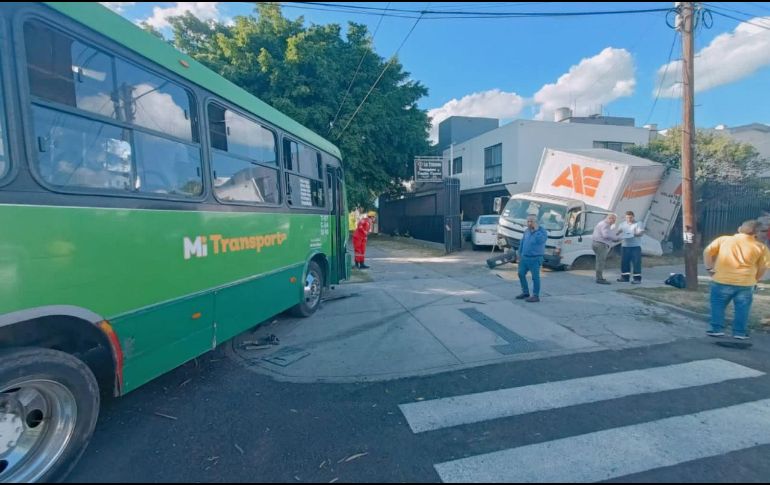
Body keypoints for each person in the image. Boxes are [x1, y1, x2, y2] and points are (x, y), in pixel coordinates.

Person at [703, 220, 770, 340]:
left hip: (721, 280)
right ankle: (739, 332)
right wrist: (756, 279)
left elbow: (707, 252)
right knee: (742, 309)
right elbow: (763, 267)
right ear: (755, 232)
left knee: (718, 305)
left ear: (740, 229)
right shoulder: (761, 247)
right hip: (746, 282)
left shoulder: (723, 240)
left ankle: (716, 329)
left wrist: (709, 268)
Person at [516, 214, 548, 302]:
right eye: (528, 221)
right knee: (521, 274)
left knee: (535, 277)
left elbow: (541, 240)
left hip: (535, 258)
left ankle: (535, 296)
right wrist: (519, 254)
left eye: (531, 221)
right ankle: (525, 292)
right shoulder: (526, 231)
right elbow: (522, 243)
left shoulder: (542, 232)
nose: (529, 223)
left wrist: (536, 230)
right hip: (524, 258)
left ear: (536, 222)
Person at [592, 213, 623, 284]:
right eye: (613, 220)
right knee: (600, 262)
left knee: (599, 261)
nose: (614, 222)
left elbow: (608, 233)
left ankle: (599, 277)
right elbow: (605, 235)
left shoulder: (601, 223)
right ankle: (599, 279)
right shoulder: (606, 225)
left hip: (595, 243)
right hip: (601, 245)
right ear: (610, 218)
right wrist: (617, 239)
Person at [617, 211, 644, 284]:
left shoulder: (638, 223)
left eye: (630, 217)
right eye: (627, 217)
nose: (629, 219)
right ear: (625, 217)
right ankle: (625, 277)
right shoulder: (622, 224)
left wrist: (633, 234)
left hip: (635, 246)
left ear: (633, 217)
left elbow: (640, 233)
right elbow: (618, 232)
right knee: (624, 262)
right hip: (625, 246)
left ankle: (637, 279)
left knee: (636, 262)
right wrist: (615, 234)